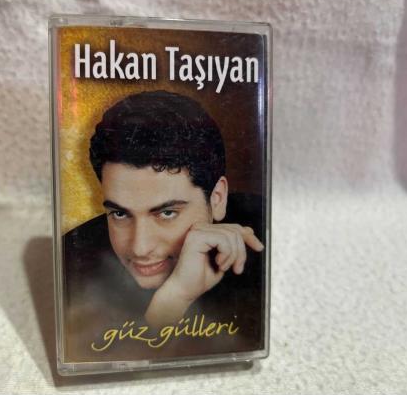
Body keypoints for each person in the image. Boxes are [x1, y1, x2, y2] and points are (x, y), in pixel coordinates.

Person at [63, 90, 265, 362]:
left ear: (217, 199)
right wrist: (173, 300)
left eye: (167, 213)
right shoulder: (72, 264)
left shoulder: (264, 252)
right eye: (120, 214)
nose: (140, 248)